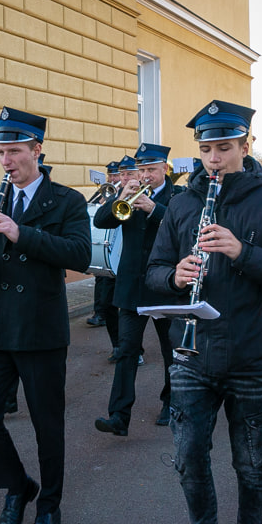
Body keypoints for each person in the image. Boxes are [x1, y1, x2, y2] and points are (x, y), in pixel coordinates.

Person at [146, 101, 262, 524]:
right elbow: (154, 269)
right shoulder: (183, 202)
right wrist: (173, 276)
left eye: (224, 148)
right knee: (188, 461)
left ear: (246, 145)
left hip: (252, 355)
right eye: (206, 149)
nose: (214, 159)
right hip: (192, 355)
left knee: (251, 467)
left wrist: (244, 253)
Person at [0, 106, 90, 524]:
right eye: (0, 152)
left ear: (37, 149)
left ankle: (49, 506)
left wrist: (20, 234)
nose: (5, 161)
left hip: (41, 330)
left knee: (46, 426)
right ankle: (19, 487)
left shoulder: (68, 200)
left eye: (14, 151)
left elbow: (77, 254)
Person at [93, 142, 177, 436]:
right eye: (141, 170)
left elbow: (182, 228)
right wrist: (120, 196)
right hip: (131, 285)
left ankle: (171, 403)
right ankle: (119, 415)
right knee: (126, 351)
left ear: (164, 169)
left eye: (151, 170)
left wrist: (154, 209)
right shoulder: (128, 193)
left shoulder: (178, 196)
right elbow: (100, 220)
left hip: (166, 285)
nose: (145, 175)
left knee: (171, 352)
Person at [87, 160, 123, 330]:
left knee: (109, 285)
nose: (112, 177)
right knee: (100, 279)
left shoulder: (122, 192)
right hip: (103, 244)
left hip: (116, 246)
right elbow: (91, 208)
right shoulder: (104, 191)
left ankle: (103, 312)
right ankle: (99, 312)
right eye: (111, 174)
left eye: (115, 174)